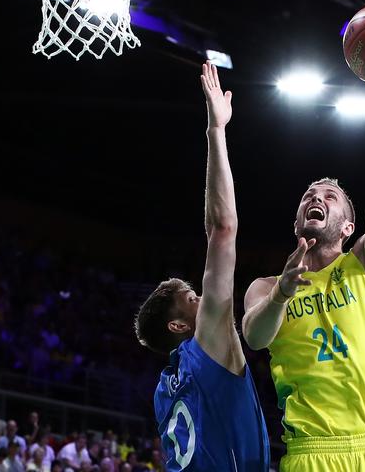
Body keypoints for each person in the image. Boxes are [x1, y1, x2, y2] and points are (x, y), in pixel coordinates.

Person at [242, 37, 365, 471]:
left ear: (349, 227)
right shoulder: (266, 287)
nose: (317, 196)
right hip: (311, 454)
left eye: (330, 196)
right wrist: (281, 296)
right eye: (310, 194)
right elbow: (255, 337)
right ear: (297, 221)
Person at [134, 61, 269, 471]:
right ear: (179, 326)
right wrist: (216, 131)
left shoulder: (164, 390)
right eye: (192, 298)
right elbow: (222, 229)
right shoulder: (204, 345)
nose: (205, 298)